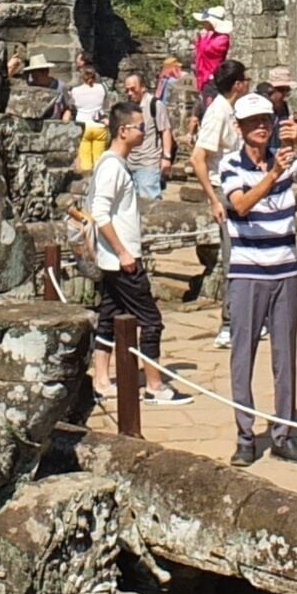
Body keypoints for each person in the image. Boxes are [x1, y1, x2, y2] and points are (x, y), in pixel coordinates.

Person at [218, 93, 297, 466]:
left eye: (266, 120)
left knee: (285, 358)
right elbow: (239, 204)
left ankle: (283, 434)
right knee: (243, 356)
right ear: (239, 128)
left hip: (285, 270)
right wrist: (272, 175)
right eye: (253, 121)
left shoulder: (286, 159)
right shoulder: (230, 165)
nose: (261, 126)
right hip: (247, 273)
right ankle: (245, 436)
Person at [83, 103, 181, 406]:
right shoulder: (112, 166)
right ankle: (154, 384)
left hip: (114, 259)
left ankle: (101, 379)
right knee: (151, 320)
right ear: (123, 131)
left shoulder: (114, 163)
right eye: (140, 127)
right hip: (121, 261)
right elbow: (99, 212)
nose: (143, 131)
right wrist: (124, 252)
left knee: (109, 317)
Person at [192, 61, 249, 351]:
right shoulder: (217, 112)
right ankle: (227, 324)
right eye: (245, 79)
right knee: (232, 257)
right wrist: (213, 198)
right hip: (224, 190)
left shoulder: (233, 110)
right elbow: (197, 157)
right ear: (237, 84)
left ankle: (246, 317)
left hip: (241, 187)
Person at [120, 72, 166, 201]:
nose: (129, 93)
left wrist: (166, 157)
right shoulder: (128, 107)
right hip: (129, 162)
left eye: (133, 89)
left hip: (149, 162)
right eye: (127, 90)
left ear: (143, 87)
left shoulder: (155, 105)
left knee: (150, 202)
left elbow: (165, 131)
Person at [67, 56, 108, 173]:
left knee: (85, 161)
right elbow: (105, 103)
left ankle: (86, 183)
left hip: (83, 125)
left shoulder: (75, 91)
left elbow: (71, 105)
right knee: (99, 159)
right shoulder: (102, 87)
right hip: (100, 126)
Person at [191, 6, 232, 98]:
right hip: (204, 77)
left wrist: (200, 41)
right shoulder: (211, 36)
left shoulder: (222, 38)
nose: (203, 24)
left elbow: (207, 50)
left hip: (213, 78)